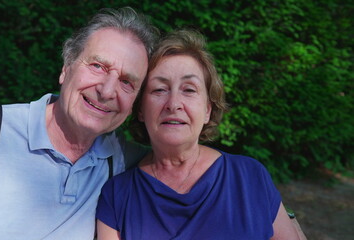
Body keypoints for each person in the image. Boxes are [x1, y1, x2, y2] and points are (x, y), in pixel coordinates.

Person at [0, 7, 158, 240]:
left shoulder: (122, 161)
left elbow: (183, 162)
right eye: (98, 66)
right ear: (66, 68)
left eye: (127, 82)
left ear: (134, 104)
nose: (107, 91)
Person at [96, 30, 302, 239]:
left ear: (207, 110)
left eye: (189, 89)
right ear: (140, 109)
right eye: (159, 89)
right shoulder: (117, 196)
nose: (174, 104)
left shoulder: (249, 176)